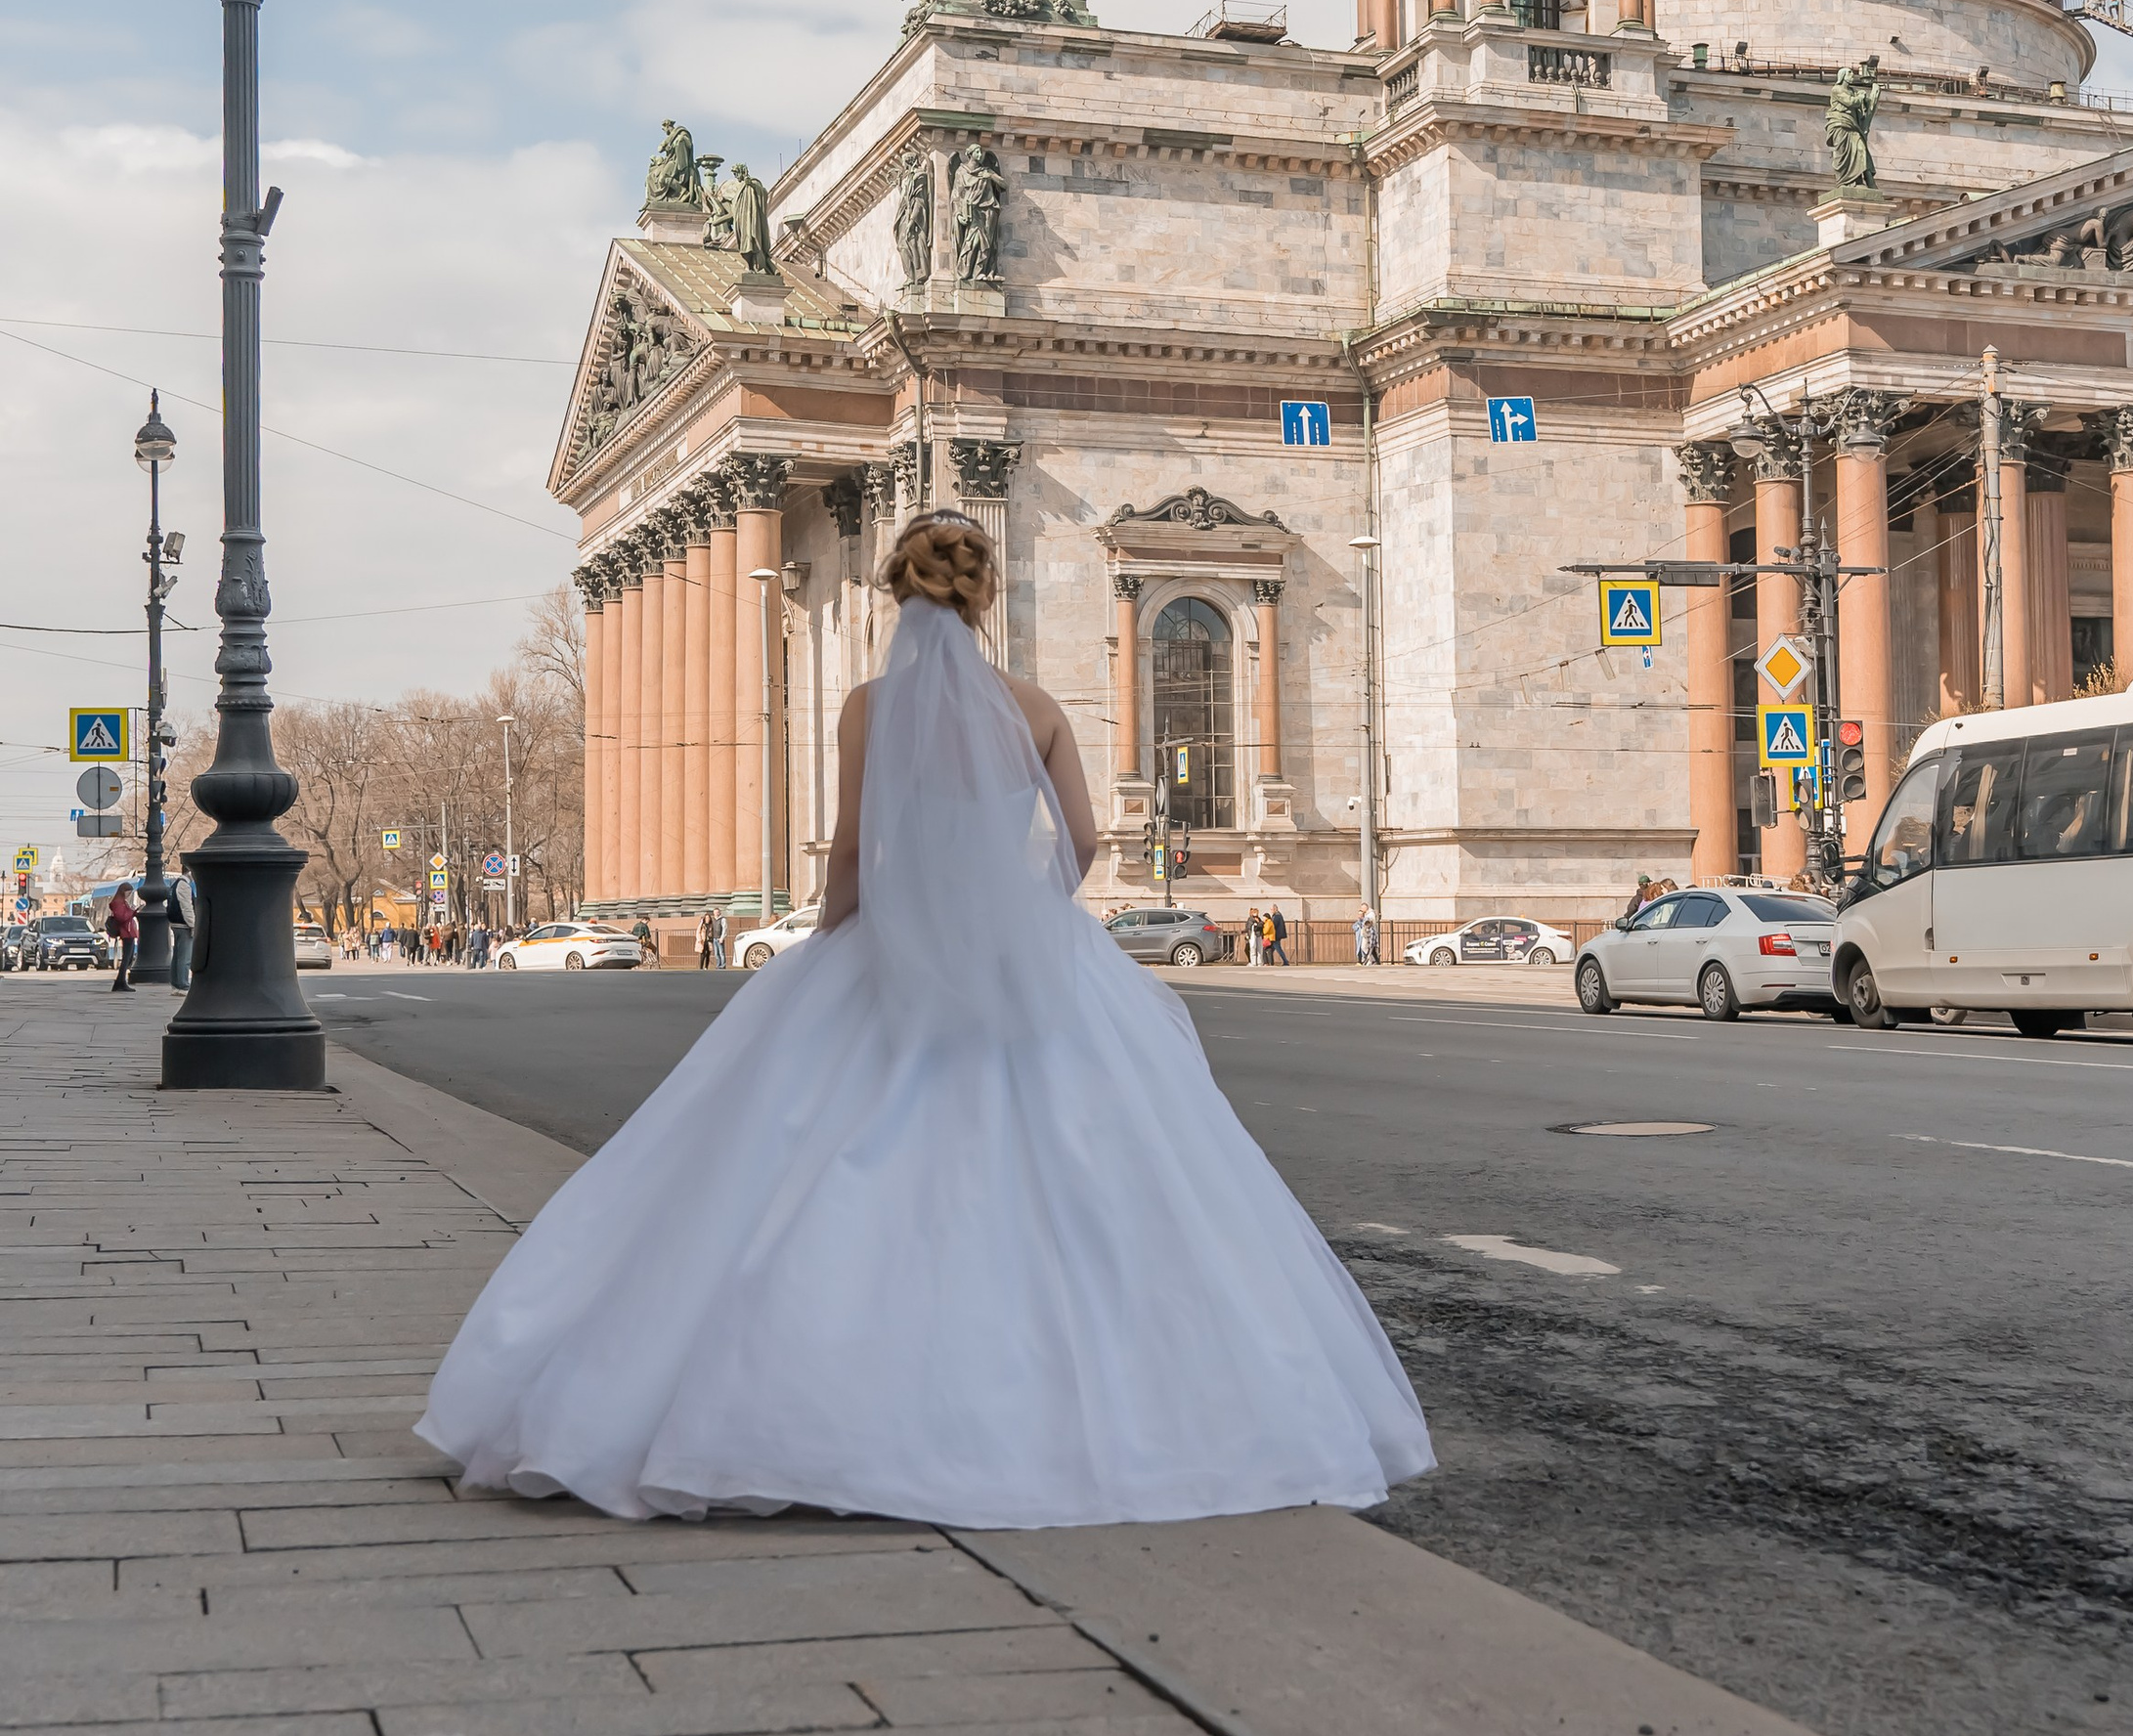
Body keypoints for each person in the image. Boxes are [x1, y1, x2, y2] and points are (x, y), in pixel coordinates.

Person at [419, 511, 1431, 1528]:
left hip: (891, 953)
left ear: (896, 596)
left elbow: (855, 847)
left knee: (795, 1152)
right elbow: (1080, 839)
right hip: (1029, 963)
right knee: (1111, 1171)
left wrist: (837, 936)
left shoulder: (869, 708)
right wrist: (1022, 912)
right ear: (982, 598)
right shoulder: (1033, 709)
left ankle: (807, 1414)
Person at [105, 882, 138, 992]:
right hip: (126, 932)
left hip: (128, 932)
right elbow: (121, 917)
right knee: (126, 958)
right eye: (128, 892)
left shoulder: (122, 902)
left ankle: (120, 981)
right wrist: (133, 912)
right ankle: (121, 982)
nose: (129, 895)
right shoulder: (118, 902)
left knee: (128, 958)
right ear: (123, 891)